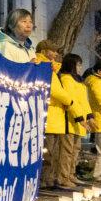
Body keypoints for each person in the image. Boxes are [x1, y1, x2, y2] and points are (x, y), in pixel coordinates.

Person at [36, 40, 73, 189]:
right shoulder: (42, 65)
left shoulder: (52, 69)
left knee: (53, 153)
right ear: (44, 51)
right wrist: (69, 100)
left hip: (56, 117)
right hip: (49, 117)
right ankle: (44, 182)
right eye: (53, 51)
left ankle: (49, 180)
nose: (56, 54)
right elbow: (55, 90)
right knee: (47, 153)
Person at [58, 54, 92, 188]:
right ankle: (63, 177)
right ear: (71, 65)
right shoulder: (66, 79)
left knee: (75, 150)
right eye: (78, 64)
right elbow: (71, 101)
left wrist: (89, 117)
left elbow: (84, 101)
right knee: (67, 151)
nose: (80, 67)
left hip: (79, 122)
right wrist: (79, 118)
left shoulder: (79, 81)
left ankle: (71, 175)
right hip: (70, 121)